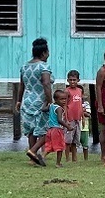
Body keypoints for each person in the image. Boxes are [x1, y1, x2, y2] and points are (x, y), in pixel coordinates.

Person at [16, 37, 53, 167]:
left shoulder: (25, 66)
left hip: (27, 101)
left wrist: (18, 101)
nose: (48, 55)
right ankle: (33, 151)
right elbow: (46, 84)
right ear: (43, 53)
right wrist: (50, 101)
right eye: (47, 52)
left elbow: (21, 85)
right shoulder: (43, 67)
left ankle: (33, 158)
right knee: (48, 129)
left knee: (31, 130)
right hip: (40, 101)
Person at [64, 70, 85, 163]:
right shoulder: (67, 91)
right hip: (70, 118)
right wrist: (66, 118)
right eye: (71, 80)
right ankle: (67, 158)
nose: (73, 82)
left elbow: (80, 105)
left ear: (78, 80)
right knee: (68, 140)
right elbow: (64, 105)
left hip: (78, 118)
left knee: (75, 141)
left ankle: (74, 158)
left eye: (74, 80)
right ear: (68, 80)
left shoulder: (80, 91)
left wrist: (83, 117)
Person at [46, 89, 69, 168]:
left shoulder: (51, 106)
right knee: (60, 147)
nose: (64, 101)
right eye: (62, 99)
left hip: (50, 129)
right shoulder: (59, 108)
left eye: (65, 99)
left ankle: (41, 156)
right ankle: (58, 163)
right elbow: (59, 120)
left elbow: (43, 109)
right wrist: (67, 126)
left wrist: (46, 103)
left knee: (50, 146)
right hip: (57, 129)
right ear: (56, 99)